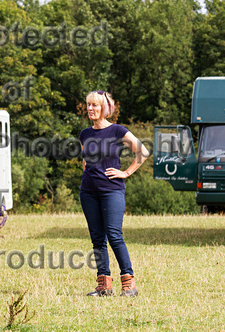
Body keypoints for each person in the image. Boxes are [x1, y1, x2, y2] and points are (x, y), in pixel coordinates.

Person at [79, 91, 148, 297]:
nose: (91, 109)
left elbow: (142, 152)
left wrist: (125, 173)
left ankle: (129, 284)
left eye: (95, 105)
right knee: (97, 239)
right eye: (88, 105)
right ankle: (104, 286)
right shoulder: (84, 134)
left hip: (112, 191)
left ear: (105, 109)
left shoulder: (117, 131)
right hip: (88, 192)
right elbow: (85, 162)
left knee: (114, 236)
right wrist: (86, 179)